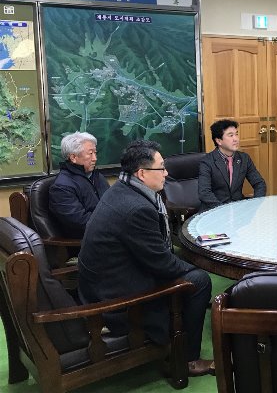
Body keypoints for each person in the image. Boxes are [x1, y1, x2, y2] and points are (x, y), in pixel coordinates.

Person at [78, 140, 213, 376]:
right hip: (115, 299)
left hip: (103, 282)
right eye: (161, 168)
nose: (166, 173)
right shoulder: (136, 209)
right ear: (141, 173)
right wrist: (194, 266)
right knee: (199, 280)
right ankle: (188, 360)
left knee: (189, 270)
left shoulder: (121, 189)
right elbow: (163, 264)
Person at [49, 131, 110, 238]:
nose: (95, 158)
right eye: (90, 153)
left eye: (95, 153)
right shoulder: (61, 187)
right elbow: (81, 222)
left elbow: (113, 203)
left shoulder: (97, 176)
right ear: (73, 157)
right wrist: (114, 223)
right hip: (90, 240)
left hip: (109, 231)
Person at [198, 119, 266, 211]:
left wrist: (254, 204)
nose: (236, 139)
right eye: (231, 135)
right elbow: (204, 193)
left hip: (238, 209)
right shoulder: (207, 162)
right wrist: (223, 210)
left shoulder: (244, 158)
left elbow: (259, 183)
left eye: (236, 134)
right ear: (219, 141)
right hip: (214, 211)